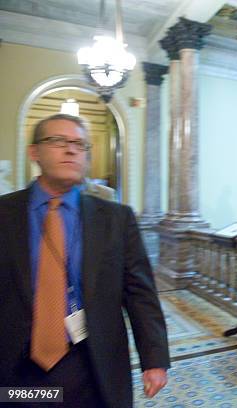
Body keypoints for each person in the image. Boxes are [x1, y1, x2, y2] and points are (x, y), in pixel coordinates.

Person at [0, 114, 170, 407]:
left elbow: (141, 293)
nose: (71, 150)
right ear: (34, 152)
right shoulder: (5, 214)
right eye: (58, 141)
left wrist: (154, 359)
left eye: (80, 144)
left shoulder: (116, 219)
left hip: (90, 367)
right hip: (17, 372)